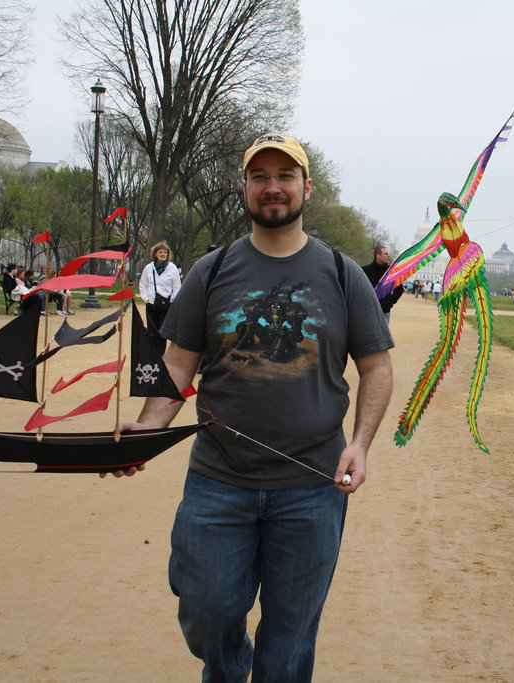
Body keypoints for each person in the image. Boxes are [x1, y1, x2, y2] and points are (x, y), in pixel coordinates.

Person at [108, 133, 394, 681]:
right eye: (260, 176)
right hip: (218, 481)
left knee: (288, 642)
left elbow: (376, 367)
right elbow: (177, 365)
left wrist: (359, 444)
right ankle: (229, 665)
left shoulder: (340, 273)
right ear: (244, 186)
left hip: (312, 486)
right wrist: (147, 428)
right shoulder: (210, 272)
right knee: (209, 613)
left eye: (285, 176)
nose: (273, 188)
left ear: (306, 187)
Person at [138, 241, 182, 355]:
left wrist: (172, 300)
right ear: (155, 254)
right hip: (152, 304)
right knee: (152, 332)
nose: (163, 254)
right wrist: (146, 299)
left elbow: (177, 286)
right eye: (160, 252)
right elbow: (143, 285)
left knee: (162, 333)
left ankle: (160, 356)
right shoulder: (149, 268)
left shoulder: (172, 268)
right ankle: (152, 355)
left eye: (165, 252)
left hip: (166, 305)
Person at [361, 244, 404, 323]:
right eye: (386, 253)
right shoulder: (365, 271)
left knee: (383, 335)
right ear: (378, 256)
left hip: (384, 311)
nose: (389, 256)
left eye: (388, 253)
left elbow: (399, 289)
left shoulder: (391, 271)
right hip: (369, 311)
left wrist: (390, 301)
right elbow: (359, 289)